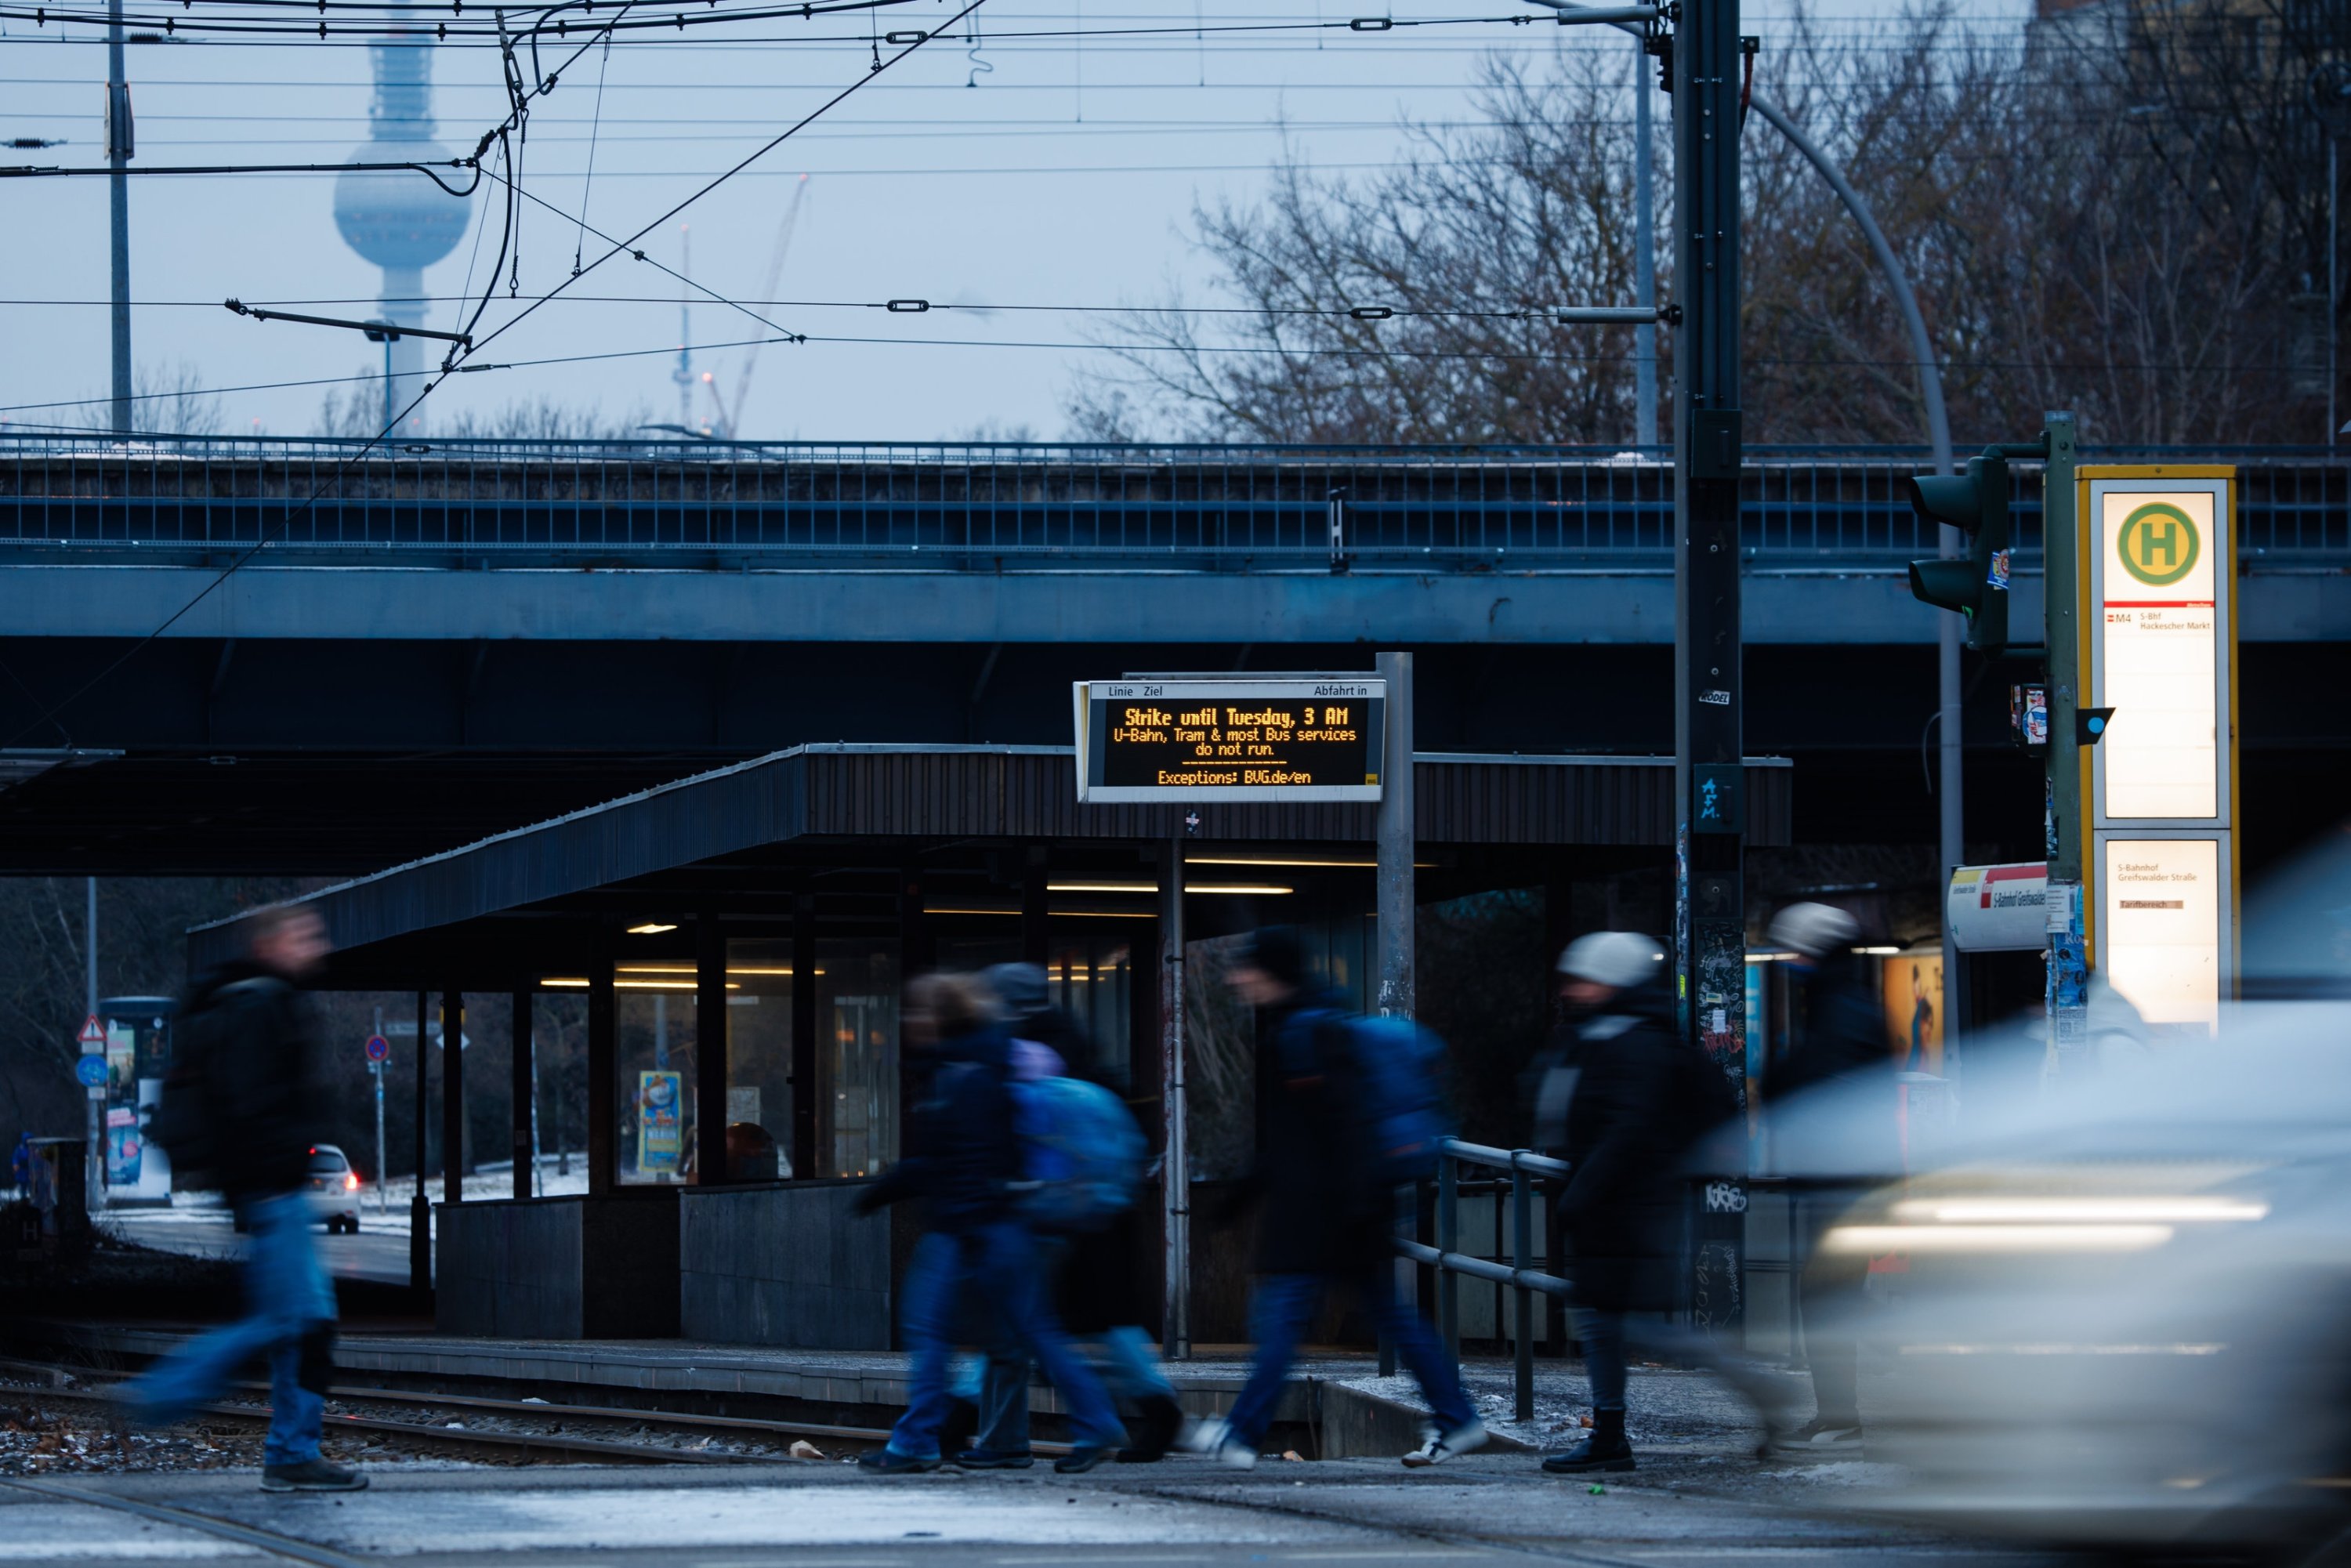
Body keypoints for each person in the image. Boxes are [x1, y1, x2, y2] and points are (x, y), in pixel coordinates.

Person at [1184, 927, 1484, 1471]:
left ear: (1270, 972)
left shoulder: (1302, 1035)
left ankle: (1242, 1432)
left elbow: (1315, 1133)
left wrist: (1260, 1197)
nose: (1235, 977)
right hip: (1343, 1207)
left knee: (1279, 1323)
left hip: (1321, 1212)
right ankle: (1456, 1414)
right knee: (1392, 1318)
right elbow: (1298, 1135)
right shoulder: (1313, 1025)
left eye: (1245, 968)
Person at [124, 904, 362, 1493]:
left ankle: (291, 1449)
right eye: (306, 934)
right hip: (272, 1187)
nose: (318, 943)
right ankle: (163, 1395)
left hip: (269, 1187)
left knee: (305, 1323)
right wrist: (280, 1164)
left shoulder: (260, 999)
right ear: (273, 942)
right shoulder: (256, 1005)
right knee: (293, 1320)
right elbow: (252, 1103)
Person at [850, 972, 1127, 1475]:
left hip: (970, 1226)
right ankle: (1093, 1422)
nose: (908, 1023)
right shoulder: (982, 1062)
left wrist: (889, 1191)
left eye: (916, 1013)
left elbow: (964, 1159)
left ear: (939, 1018)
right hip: (1001, 1224)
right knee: (1032, 1333)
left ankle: (916, 1441)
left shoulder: (965, 1071)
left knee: (928, 1328)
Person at [958, 962, 1183, 1470]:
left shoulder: (1021, 1048)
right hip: (1097, 1206)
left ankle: (961, 1419)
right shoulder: (1073, 1041)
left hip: (1053, 1208)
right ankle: (1153, 1408)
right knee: (1094, 1321)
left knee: (1030, 1321)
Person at [1533, 931, 1737, 1476]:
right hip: (1613, 1206)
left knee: (1638, 1327)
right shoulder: (1604, 1034)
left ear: (1611, 983)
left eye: (1584, 979)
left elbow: (1626, 1128)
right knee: (1606, 1325)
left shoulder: (1632, 1042)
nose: (1573, 989)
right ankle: (1608, 1434)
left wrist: (1580, 1191)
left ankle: (1754, 1387)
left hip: (1630, 1209)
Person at [1767, 900, 1893, 1458]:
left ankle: (1842, 1416)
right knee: (1829, 1297)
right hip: (1851, 1179)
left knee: (1826, 1298)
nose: (1790, 961)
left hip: (1844, 1183)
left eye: (1796, 950)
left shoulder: (1838, 1006)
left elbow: (1810, 1076)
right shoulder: (1847, 999)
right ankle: (1838, 1412)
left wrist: (1777, 1081)